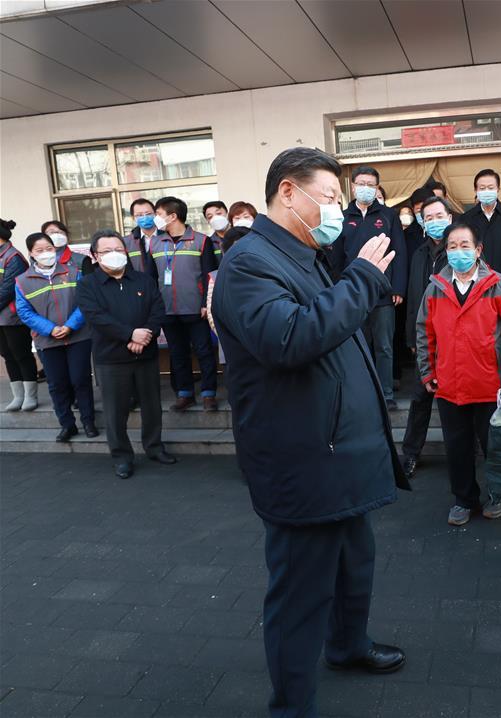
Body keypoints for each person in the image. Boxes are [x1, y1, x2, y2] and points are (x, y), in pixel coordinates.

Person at [211, 146, 408, 718]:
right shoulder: (250, 263)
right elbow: (292, 338)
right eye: (327, 197)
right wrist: (365, 278)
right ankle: (291, 705)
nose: (337, 211)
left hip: (339, 453)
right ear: (288, 193)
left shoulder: (305, 254)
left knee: (355, 564)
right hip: (302, 459)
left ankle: (347, 646)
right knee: (300, 593)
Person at [416, 221, 501, 525]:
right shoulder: (435, 288)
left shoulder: (500, 285)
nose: (458, 252)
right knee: (457, 448)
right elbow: (424, 333)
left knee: (495, 446)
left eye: (465, 245)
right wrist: (427, 372)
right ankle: (463, 499)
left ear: (478, 250)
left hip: (491, 384)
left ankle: (497, 494)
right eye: (452, 246)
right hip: (449, 385)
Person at [76, 230, 175, 479]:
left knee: (152, 407)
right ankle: (121, 456)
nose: (114, 254)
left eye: (119, 249)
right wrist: (130, 335)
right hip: (111, 359)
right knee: (115, 411)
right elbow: (96, 318)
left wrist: (146, 335)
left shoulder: (143, 280)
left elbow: (157, 310)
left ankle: (154, 447)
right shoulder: (87, 284)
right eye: (107, 251)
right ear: (95, 256)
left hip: (146, 354)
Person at [331, 166, 407, 410]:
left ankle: (386, 394)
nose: (366, 188)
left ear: (377, 188)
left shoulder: (388, 216)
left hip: (383, 294)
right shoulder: (341, 217)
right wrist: (337, 288)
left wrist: (398, 288)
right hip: (352, 294)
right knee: (357, 347)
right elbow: (335, 259)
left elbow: (400, 253)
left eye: (371, 184)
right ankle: (362, 394)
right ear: (352, 186)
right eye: (361, 183)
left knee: (384, 346)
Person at [15, 232, 97, 442]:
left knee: (80, 380)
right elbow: (24, 312)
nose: (45, 253)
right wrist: (50, 329)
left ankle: (89, 421)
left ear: (56, 249)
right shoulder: (23, 281)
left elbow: (84, 302)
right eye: (39, 250)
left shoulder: (73, 272)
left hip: (78, 336)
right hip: (47, 340)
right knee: (57, 384)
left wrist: (70, 325)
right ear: (31, 254)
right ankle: (67, 425)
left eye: (49, 249)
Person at [148, 196, 219, 412]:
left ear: (172, 216)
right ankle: (184, 393)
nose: (155, 218)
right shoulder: (155, 242)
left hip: (195, 308)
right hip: (167, 309)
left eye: (158, 214)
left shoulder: (201, 240)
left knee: (204, 351)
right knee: (177, 353)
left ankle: (209, 393)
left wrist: (207, 303)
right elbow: (151, 278)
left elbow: (210, 274)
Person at [399, 196, 450, 478]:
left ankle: (471, 450)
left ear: (450, 217)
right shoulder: (418, 254)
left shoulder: (458, 251)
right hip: (425, 341)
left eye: (438, 215)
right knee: (420, 399)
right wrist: (411, 339)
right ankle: (410, 454)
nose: (433, 221)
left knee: (454, 402)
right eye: (427, 217)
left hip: (453, 340)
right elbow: (413, 300)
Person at [0, 219, 39, 412]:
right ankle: (18, 396)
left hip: (12, 317)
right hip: (1, 319)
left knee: (21, 354)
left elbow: (7, 291)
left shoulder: (13, 257)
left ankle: (30, 396)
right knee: (7, 355)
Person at [461, 169, 501, 285]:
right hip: (475, 283)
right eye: (482, 188)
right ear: (475, 190)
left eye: (490, 188)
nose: (486, 191)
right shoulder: (466, 219)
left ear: (498, 189)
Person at [206, 225, 251, 367]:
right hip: (231, 346)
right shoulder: (216, 277)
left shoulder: (266, 274)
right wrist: (229, 337)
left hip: (262, 346)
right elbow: (211, 314)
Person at [126, 198, 156, 272]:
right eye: (139, 215)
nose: (144, 217)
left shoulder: (167, 237)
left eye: (148, 214)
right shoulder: (127, 242)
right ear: (133, 218)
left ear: (155, 214)